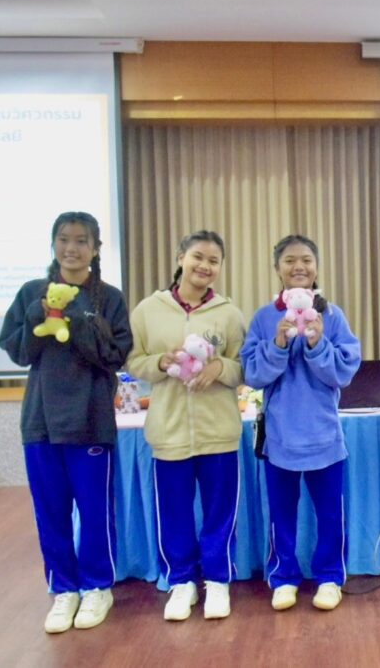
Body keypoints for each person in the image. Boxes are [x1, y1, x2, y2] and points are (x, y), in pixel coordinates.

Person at [0, 211, 132, 633]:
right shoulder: (31, 293)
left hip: (90, 420)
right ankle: (64, 588)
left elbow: (114, 356)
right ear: (54, 244)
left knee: (94, 511)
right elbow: (20, 352)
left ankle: (97, 587)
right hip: (41, 421)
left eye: (81, 241)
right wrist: (39, 315)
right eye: (64, 240)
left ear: (95, 248)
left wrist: (76, 316)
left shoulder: (108, 298)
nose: (71, 248)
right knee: (50, 511)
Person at [125, 230, 246, 621]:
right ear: (181, 258)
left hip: (219, 432)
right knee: (174, 512)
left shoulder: (229, 313)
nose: (204, 266)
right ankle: (181, 582)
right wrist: (160, 363)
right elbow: (133, 361)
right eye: (198, 257)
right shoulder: (148, 310)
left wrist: (220, 367)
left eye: (213, 261)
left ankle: (218, 580)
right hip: (169, 431)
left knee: (219, 512)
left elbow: (245, 366)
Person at [240, 234, 361, 612]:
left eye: (306, 260)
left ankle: (329, 578)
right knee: (281, 515)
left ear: (316, 267)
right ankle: (284, 577)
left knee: (330, 515)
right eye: (290, 260)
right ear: (277, 268)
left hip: (324, 436)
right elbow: (253, 374)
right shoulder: (264, 318)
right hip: (280, 438)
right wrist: (277, 344)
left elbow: (343, 373)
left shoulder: (332, 316)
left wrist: (317, 343)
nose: (299, 267)